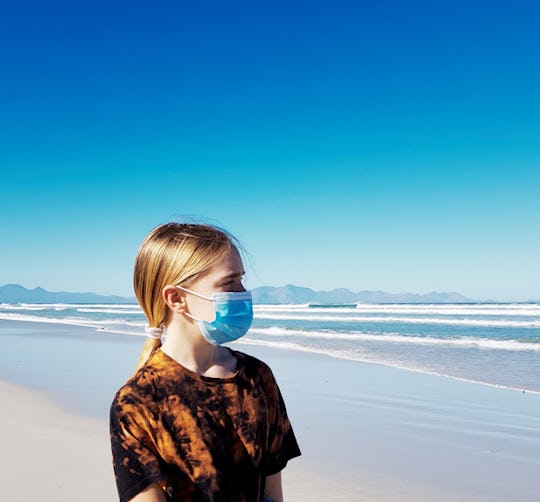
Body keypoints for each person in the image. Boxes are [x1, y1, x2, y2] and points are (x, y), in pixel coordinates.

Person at [110, 222, 301, 502]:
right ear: (176, 298)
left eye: (241, 280)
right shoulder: (137, 403)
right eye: (228, 283)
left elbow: (272, 492)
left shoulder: (257, 377)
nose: (243, 293)